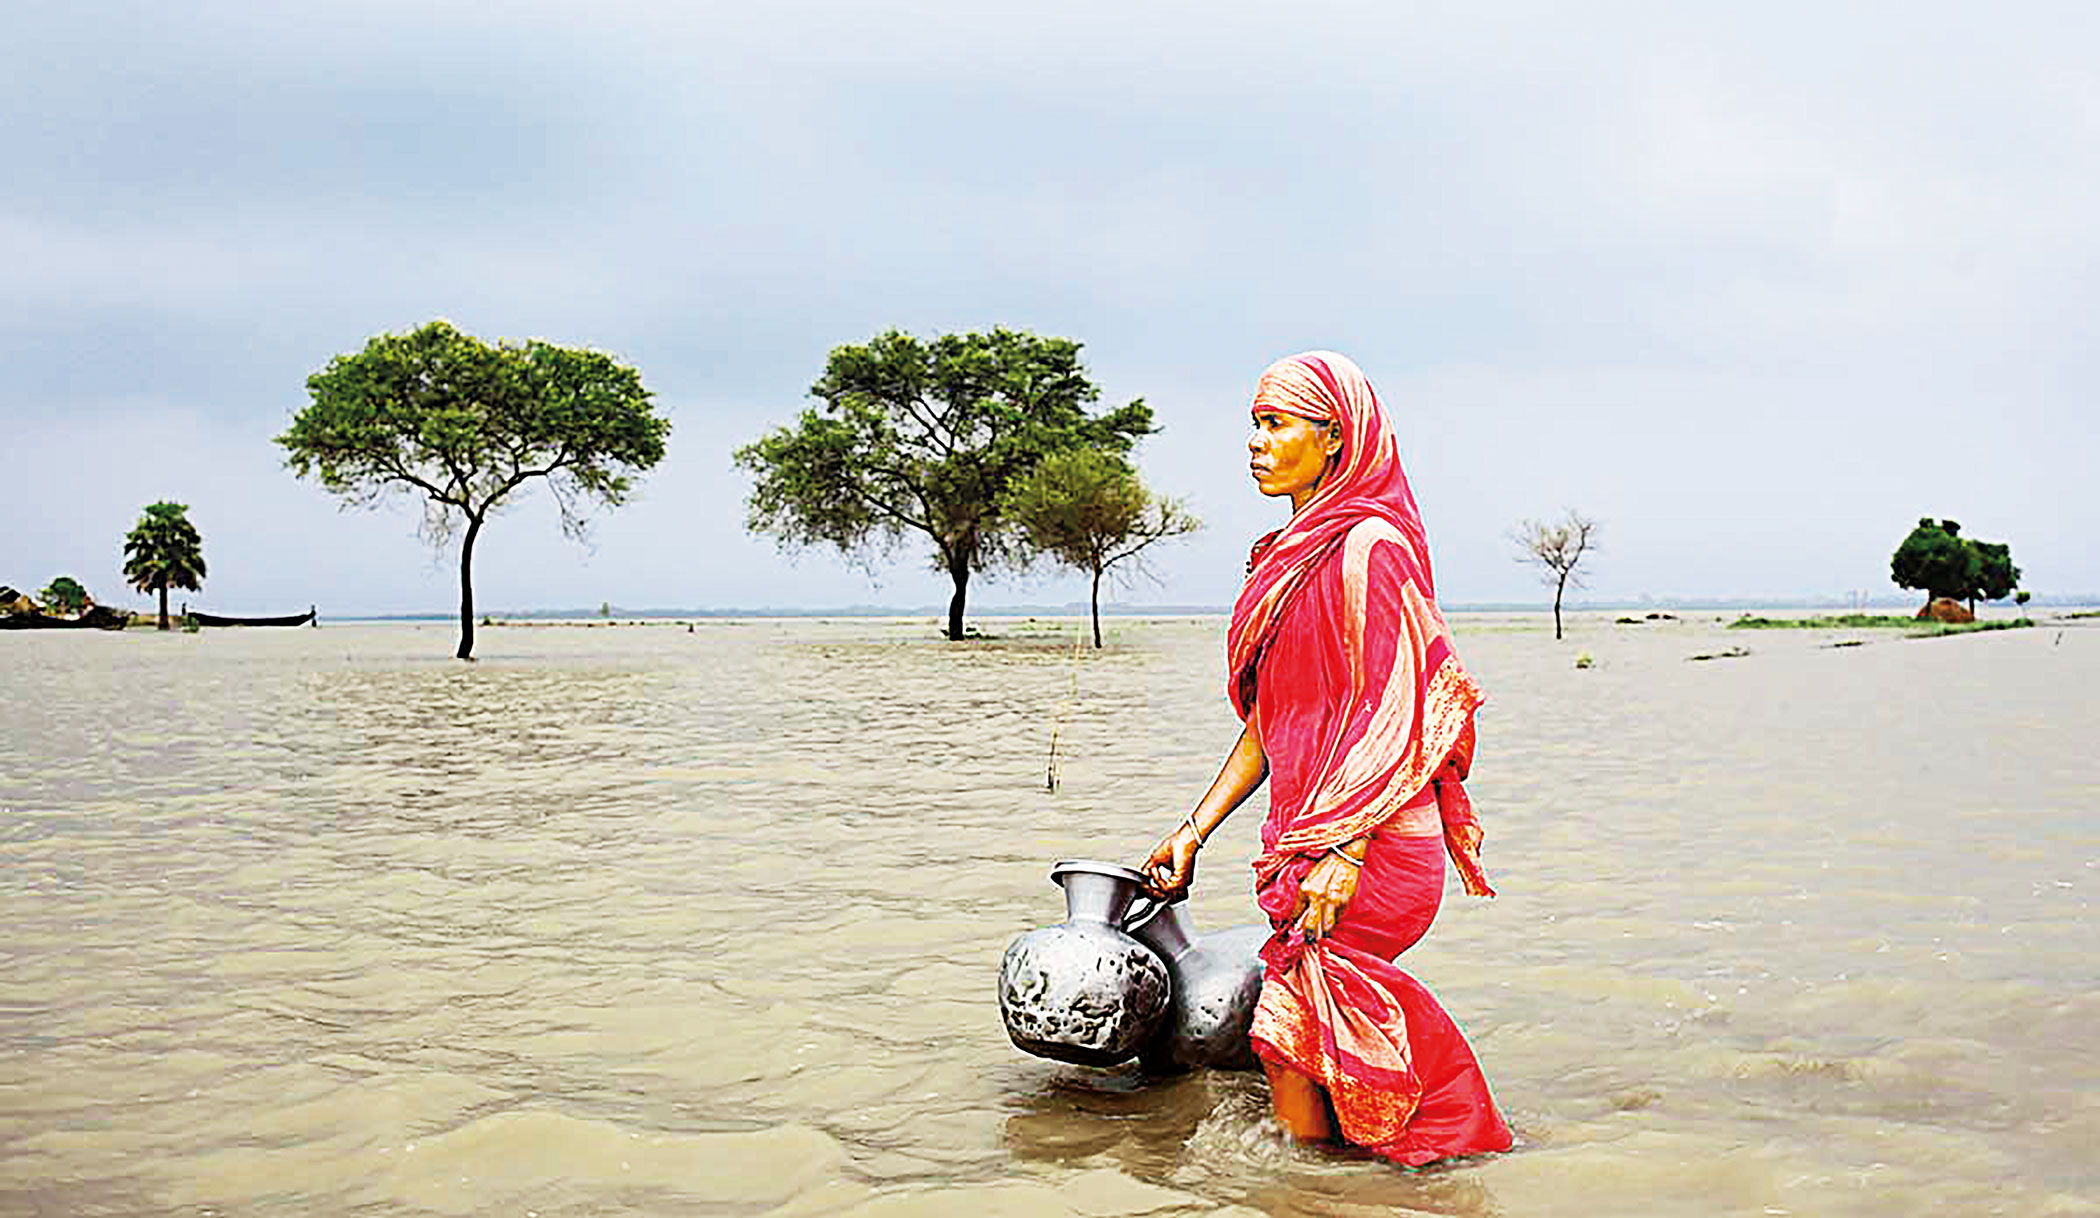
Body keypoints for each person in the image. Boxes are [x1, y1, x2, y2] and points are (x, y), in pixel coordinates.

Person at [1140, 351, 1513, 1166]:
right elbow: (1276, 722)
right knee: (1299, 1038)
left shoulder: (1371, 549)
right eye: (1254, 423)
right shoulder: (1288, 556)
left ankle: (1408, 1156)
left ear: (1335, 438)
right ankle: (1358, 1174)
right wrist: (1193, 831)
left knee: (1291, 1030)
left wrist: (1345, 848)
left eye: (1276, 424)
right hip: (1306, 836)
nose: (1255, 442)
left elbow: (1403, 707)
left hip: (1374, 844)